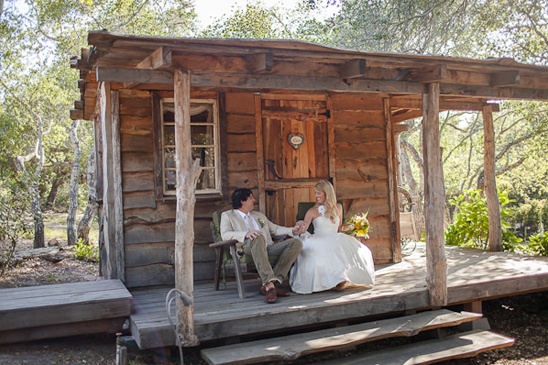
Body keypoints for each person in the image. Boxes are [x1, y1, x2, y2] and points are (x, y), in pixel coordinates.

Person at [289, 180, 375, 294]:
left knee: (358, 250)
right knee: (321, 251)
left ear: (327, 193)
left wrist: (355, 225)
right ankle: (328, 281)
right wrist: (299, 225)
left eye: (318, 193)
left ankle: (340, 279)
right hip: (319, 238)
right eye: (315, 193)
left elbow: (339, 229)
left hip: (335, 237)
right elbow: (304, 228)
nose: (316, 196)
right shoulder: (312, 211)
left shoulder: (338, 207)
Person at [220, 188, 305, 303]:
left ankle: (272, 284)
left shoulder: (258, 215)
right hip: (246, 249)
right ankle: (269, 285)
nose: (254, 200)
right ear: (242, 201)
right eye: (250, 198)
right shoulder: (228, 216)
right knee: (257, 236)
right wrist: (246, 234)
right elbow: (225, 235)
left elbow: (275, 229)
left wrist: (293, 231)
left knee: (296, 243)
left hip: (267, 247)